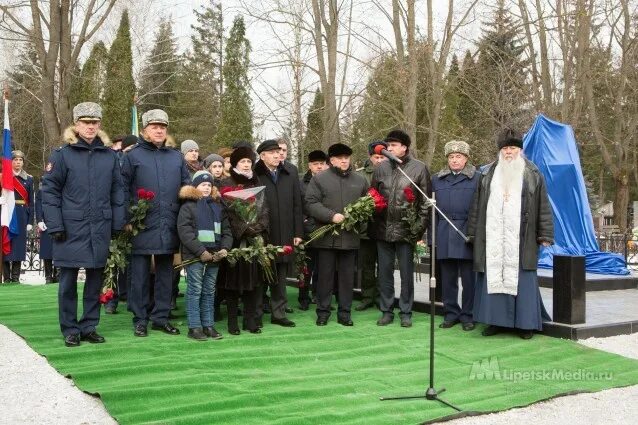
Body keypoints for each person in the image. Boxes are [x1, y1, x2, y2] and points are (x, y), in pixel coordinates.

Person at [41, 102, 125, 347]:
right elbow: (50, 191)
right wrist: (55, 225)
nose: (90, 127)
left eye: (94, 122)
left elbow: (118, 192)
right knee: (67, 283)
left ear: (99, 125)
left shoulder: (109, 156)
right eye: (86, 122)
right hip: (69, 229)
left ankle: (89, 326)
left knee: (94, 281)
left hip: (99, 227)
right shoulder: (62, 154)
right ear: (76, 125)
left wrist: (118, 222)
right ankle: (70, 328)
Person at [467, 129, 554, 339]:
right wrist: (472, 233)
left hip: (521, 238)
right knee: (493, 276)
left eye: (512, 148)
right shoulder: (487, 174)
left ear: (520, 150)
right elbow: (477, 206)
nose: (508, 152)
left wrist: (545, 234)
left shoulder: (533, 173)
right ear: (500, 150)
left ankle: (525, 325)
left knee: (522, 279)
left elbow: (543, 206)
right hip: (493, 237)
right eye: (505, 148)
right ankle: (495, 322)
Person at [121, 109, 190, 337]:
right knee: (139, 275)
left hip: (169, 223)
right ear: (144, 130)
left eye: (162, 127)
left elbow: (185, 188)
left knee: (166, 275)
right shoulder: (132, 156)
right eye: (154, 127)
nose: (159, 130)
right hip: (142, 225)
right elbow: (122, 190)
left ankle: (161, 317)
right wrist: (128, 218)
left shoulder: (176, 157)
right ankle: (140, 318)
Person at [371, 129, 431, 328]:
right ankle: (386, 310)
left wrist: (418, 229)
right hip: (383, 230)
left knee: (406, 275)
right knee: (385, 273)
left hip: (407, 231)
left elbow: (425, 203)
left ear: (404, 147)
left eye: (394, 145)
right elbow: (373, 196)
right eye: (388, 145)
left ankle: (406, 311)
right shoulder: (380, 169)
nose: (389, 149)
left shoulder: (419, 168)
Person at [305, 143, 369, 326]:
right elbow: (310, 203)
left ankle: (344, 313)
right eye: (340, 158)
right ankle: (323, 312)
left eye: (347, 157)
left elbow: (367, 204)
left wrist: (358, 218)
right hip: (326, 238)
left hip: (350, 238)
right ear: (331, 160)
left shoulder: (360, 180)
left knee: (347, 278)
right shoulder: (319, 179)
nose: (344, 161)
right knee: (325, 277)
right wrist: (331, 216)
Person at [177, 170, 233, 340]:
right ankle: (194, 327)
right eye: (203, 184)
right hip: (196, 256)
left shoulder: (217, 206)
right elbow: (185, 232)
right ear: (195, 187)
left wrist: (225, 249)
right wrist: (201, 251)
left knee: (209, 291)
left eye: (209, 185)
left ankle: (208, 325)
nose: (207, 188)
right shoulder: (188, 207)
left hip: (215, 257)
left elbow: (227, 231)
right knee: (195, 290)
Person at [220, 146, 270, 335]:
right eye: (243, 162)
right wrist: (242, 228)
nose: (247, 165)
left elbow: (264, 208)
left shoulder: (256, 182)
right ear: (235, 164)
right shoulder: (226, 182)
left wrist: (257, 228)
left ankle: (251, 321)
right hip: (235, 240)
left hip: (254, 240)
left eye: (249, 161)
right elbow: (225, 212)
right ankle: (232, 322)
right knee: (233, 283)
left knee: (253, 282)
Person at [254, 139, 303, 328]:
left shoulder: (289, 173)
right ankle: (256, 314)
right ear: (262, 156)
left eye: (279, 152)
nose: (277, 155)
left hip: (285, 232)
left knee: (280, 275)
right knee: (260, 275)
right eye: (272, 152)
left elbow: (297, 204)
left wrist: (298, 231)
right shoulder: (255, 175)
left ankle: (279, 313)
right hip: (263, 233)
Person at [431, 141, 480, 331]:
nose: (454, 160)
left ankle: (468, 315)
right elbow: (432, 210)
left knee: (469, 279)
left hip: (467, 232)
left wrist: (477, 234)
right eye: (451, 157)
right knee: (448, 278)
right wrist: (431, 237)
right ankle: (451, 313)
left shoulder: (477, 178)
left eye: (458, 156)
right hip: (444, 232)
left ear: (466, 158)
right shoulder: (437, 179)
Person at [354, 140, 387, 311]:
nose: (379, 160)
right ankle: (367, 296)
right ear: (370, 157)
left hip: (384, 229)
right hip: (366, 229)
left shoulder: (392, 172)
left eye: (382, 157)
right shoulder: (360, 176)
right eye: (376, 157)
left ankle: (383, 297)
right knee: (367, 265)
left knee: (384, 266)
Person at [298, 150, 328, 310]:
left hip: (326, 229)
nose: (319, 167)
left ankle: (319, 295)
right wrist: (305, 222)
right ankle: (303, 296)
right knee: (306, 267)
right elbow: (298, 206)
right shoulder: (301, 183)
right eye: (316, 164)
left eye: (322, 164)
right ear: (309, 165)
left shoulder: (330, 181)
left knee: (323, 267)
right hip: (307, 230)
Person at [2, 150, 34, 283]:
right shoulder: (3, 177)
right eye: (15, 160)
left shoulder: (29, 179)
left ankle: (15, 277)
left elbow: (31, 202)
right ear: (11, 162)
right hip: (7, 213)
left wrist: (30, 221)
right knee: (6, 242)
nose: (18, 162)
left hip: (21, 215)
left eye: (20, 160)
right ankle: (6, 277)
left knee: (19, 246)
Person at [35, 180, 58, 284]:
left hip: (59, 221)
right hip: (46, 222)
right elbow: (38, 206)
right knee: (47, 250)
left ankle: (58, 274)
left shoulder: (61, 187)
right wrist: (39, 220)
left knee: (59, 249)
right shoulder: (42, 190)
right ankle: (48, 276)